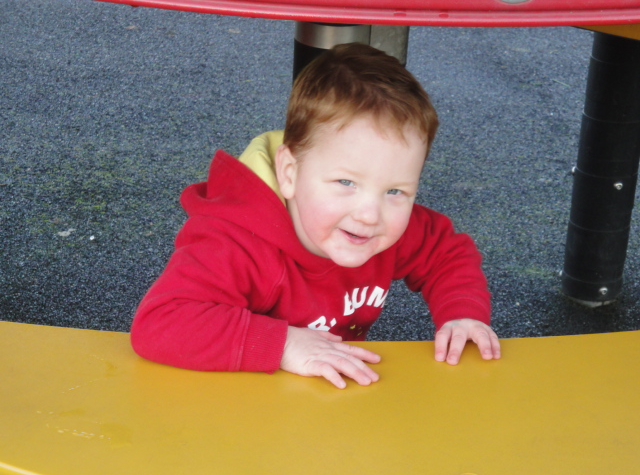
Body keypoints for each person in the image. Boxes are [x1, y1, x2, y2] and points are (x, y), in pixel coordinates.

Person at [131, 43, 501, 389]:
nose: (369, 214)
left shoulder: (383, 228)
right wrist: (284, 345)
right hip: (240, 402)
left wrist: (463, 314)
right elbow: (162, 322)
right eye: (346, 182)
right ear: (289, 173)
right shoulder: (237, 241)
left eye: (395, 191)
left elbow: (445, 254)